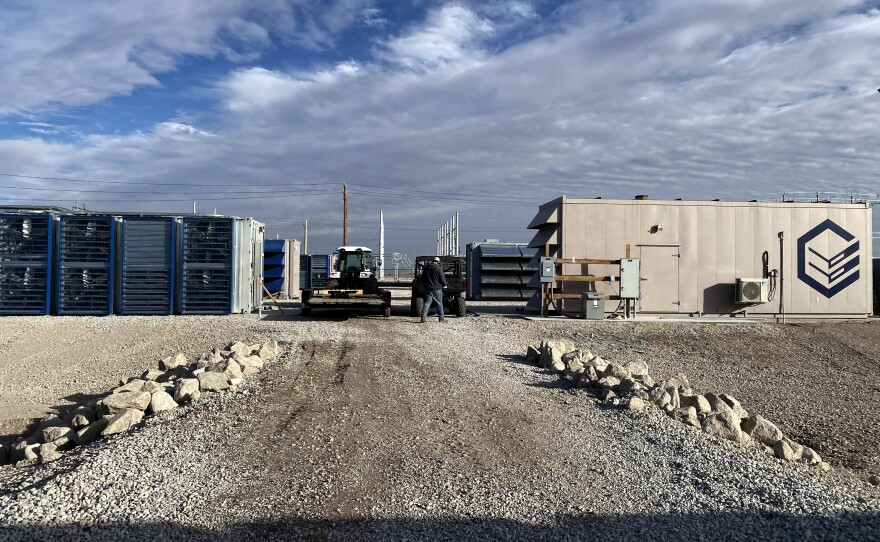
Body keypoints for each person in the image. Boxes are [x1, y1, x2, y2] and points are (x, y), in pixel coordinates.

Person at [420, 256, 448, 323]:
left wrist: (425, 286)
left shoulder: (426, 269)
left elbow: (422, 279)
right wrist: (445, 284)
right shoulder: (438, 268)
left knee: (427, 303)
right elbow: (442, 278)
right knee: (439, 303)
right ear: (438, 262)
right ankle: (441, 319)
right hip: (437, 289)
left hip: (428, 289)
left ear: (432, 261)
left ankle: (423, 318)